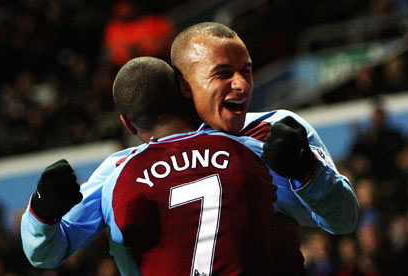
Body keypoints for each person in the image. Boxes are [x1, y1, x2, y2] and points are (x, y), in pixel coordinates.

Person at [22, 57, 277, 275]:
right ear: (183, 92)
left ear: (128, 124)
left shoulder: (118, 172)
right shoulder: (247, 149)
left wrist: (42, 213)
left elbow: (46, 254)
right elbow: (316, 210)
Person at [170, 22, 359, 275]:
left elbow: (344, 219)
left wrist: (308, 172)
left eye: (246, 72)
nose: (242, 85)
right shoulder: (145, 160)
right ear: (184, 86)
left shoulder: (277, 130)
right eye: (223, 73)